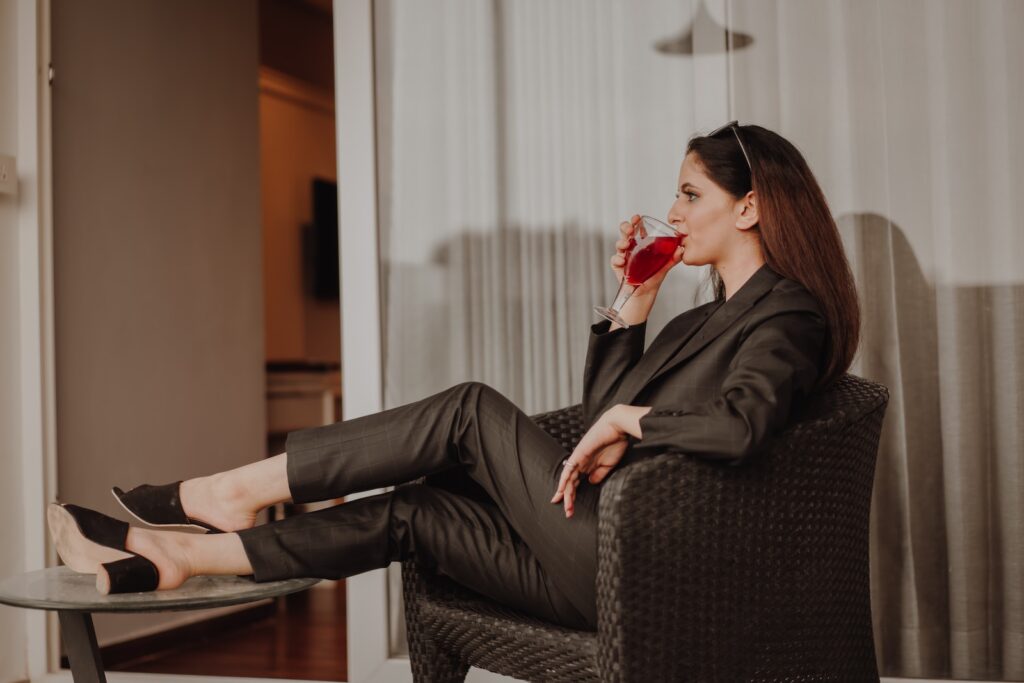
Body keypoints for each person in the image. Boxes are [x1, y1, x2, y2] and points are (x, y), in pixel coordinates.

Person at [47, 121, 860, 632]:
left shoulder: (787, 314)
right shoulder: (696, 319)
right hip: (594, 548)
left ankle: (227, 490)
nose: (672, 213)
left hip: (646, 566)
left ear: (749, 207)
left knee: (468, 408)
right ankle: (188, 555)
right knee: (413, 511)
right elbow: (594, 412)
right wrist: (631, 304)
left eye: (690, 194)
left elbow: (743, 423)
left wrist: (632, 424)